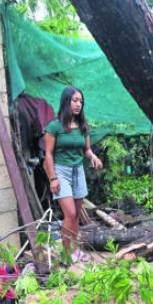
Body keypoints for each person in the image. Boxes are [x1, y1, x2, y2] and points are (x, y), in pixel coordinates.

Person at [44, 86, 103, 261]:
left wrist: (93, 157)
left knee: (76, 215)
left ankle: (74, 250)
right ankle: (66, 253)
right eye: (75, 100)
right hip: (61, 171)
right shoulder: (54, 126)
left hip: (78, 172)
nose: (78, 104)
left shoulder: (83, 126)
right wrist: (52, 178)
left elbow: (86, 149)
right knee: (69, 214)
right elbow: (48, 153)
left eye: (81, 101)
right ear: (66, 101)